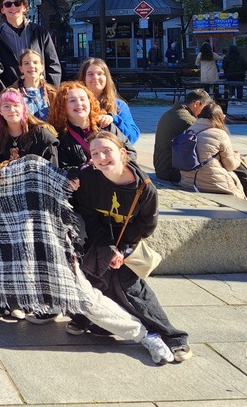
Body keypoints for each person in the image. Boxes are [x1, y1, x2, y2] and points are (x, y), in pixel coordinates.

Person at [0, 155, 176, 366]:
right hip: (7, 262)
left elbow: (32, 164)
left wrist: (62, 179)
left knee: (86, 299)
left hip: (46, 250)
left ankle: (145, 335)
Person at [69, 131, 191, 363]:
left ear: (122, 153)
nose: (101, 157)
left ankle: (173, 337)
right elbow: (89, 217)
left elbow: (146, 225)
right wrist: (108, 248)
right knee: (96, 279)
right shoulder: (89, 180)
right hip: (99, 238)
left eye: (107, 151)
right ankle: (90, 321)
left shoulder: (143, 188)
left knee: (128, 285)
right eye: (95, 153)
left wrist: (122, 250)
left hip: (127, 240)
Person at [0, 0, 62, 88]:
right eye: (8, 4)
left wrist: (51, 90)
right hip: (11, 95)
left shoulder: (40, 32)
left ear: (24, 8)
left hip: (40, 91)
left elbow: (53, 64)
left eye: (17, 3)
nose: (13, 7)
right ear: (2, 10)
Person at [179, 102, 245, 197]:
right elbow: (230, 166)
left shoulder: (188, 130)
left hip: (188, 181)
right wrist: (237, 157)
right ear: (219, 118)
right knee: (240, 173)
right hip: (214, 184)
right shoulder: (220, 134)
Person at [152, 89, 210, 184]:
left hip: (162, 167)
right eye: (204, 107)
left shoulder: (173, 112)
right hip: (171, 171)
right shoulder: (187, 120)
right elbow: (205, 143)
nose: (204, 112)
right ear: (196, 103)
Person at [78, 58, 141, 144]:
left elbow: (132, 137)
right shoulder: (76, 104)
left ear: (106, 78)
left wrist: (114, 119)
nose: (95, 77)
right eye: (90, 74)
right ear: (83, 78)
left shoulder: (119, 105)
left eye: (100, 74)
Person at [0, 88, 58, 165]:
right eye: (6, 106)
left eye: (16, 105)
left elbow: (53, 170)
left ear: (24, 108)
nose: (12, 110)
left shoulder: (41, 135)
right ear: (0, 111)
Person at [15, 48, 54, 121]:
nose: (31, 66)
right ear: (21, 69)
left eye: (35, 62)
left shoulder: (54, 92)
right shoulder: (13, 92)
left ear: (42, 67)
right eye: (26, 63)